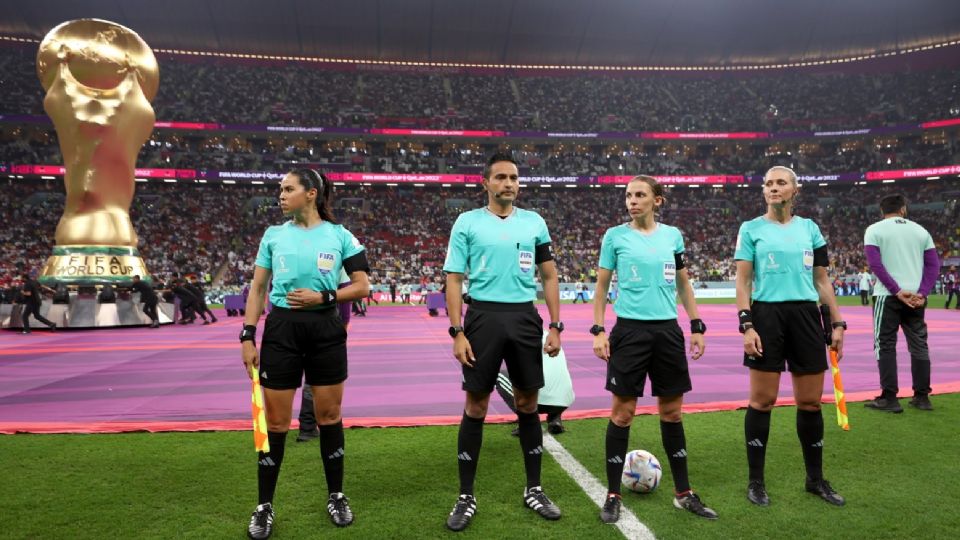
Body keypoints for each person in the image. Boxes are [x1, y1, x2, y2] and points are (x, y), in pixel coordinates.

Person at [240, 168, 370, 539]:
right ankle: (264, 505)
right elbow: (258, 288)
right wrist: (247, 336)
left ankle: (336, 495)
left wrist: (325, 296)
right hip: (281, 330)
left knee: (330, 417)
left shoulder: (340, 235)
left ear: (311, 193)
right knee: (276, 424)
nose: (280, 195)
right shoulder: (273, 235)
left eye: (288, 189)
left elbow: (363, 285)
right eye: (280, 189)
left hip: (325, 329)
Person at [442, 153, 564, 532]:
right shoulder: (467, 223)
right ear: (486, 183)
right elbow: (453, 279)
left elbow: (549, 276)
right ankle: (466, 495)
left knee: (528, 402)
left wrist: (556, 325)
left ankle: (534, 488)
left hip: (525, 317)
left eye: (513, 177)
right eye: (501, 177)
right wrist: (457, 330)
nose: (509, 183)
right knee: (476, 404)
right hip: (482, 319)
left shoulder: (534, 223)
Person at [591, 176, 717, 523]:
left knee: (672, 413)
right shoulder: (614, 237)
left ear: (657, 200)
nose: (632, 201)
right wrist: (599, 330)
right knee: (622, 413)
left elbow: (683, 282)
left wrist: (695, 324)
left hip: (667, 333)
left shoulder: (672, 236)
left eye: (640, 195)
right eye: (629, 195)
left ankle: (684, 493)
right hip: (629, 332)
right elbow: (601, 288)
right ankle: (613, 495)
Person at [734, 166, 847, 508]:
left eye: (780, 183)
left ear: (795, 190)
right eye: (767, 183)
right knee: (762, 401)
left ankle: (815, 480)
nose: (772, 188)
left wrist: (837, 322)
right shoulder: (750, 229)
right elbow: (742, 282)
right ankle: (756, 482)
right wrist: (747, 324)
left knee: (811, 402)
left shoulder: (810, 229)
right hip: (766, 316)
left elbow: (822, 280)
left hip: (805, 316)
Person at [863, 193, 939, 413]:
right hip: (916, 296)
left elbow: (875, 264)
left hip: (888, 296)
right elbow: (933, 265)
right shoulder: (921, 231)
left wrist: (896, 290)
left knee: (885, 344)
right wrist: (922, 292)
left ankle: (889, 397)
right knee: (919, 344)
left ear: (881, 211)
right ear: (903, 209)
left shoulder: (874, 230)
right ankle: (922, 397)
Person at [298, 269, 354, 443]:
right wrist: (343, 329)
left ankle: (306, 425)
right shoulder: (338, 263)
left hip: (293, 323)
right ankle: (312, 425)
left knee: (307, 376)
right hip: (326, 325)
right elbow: (345, 303)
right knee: (321, 378)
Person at [495, 333, 575, 436]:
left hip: (537, 401)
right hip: (564, 400)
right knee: (553, 375)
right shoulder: (551, 336)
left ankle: (525, 421)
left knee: (500, 376)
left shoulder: (519, 335)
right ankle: (555, 419)